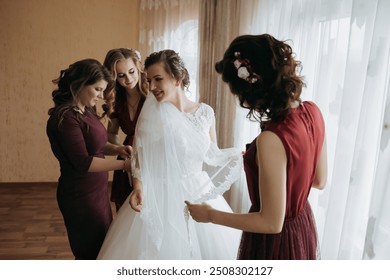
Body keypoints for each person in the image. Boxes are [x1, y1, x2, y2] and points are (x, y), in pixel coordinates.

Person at [186, 34, 327, 260]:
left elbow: (271, 223)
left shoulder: (271, 139)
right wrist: (269, 165)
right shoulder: (313, 111)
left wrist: (211, 215)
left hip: (277, 243)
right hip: (302, 226)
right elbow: (319, 180)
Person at [97, 50, 243, 260]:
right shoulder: (152, 114)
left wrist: (238, 155)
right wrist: (138, 186)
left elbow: (212, 154)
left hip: (197, 190)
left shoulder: (206, 112)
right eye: (149, 80)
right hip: (160, 195)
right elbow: (139, 156)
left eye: (158, 79)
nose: (152, 86)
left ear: (177, 78)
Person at [46, 58, 132, 260]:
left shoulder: (86, 110)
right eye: (98, 89)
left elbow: (97, 145)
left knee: (102, 250)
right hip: (80, 196)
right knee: (89, 254)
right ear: (80, 84)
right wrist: (125, 165)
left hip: (97, 192)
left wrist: (119, 148)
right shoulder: (64, 118)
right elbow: (84, 162)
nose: (102, 96)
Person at [103, 48, 148, 211]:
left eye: (131, 72)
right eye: (121, 76)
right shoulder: (115, 100)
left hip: (150, 156)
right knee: (125, 211)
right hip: (127, 156)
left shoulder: (151, 94)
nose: (128, 79)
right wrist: (120, 149)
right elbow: (112, 133)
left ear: (138, 68)